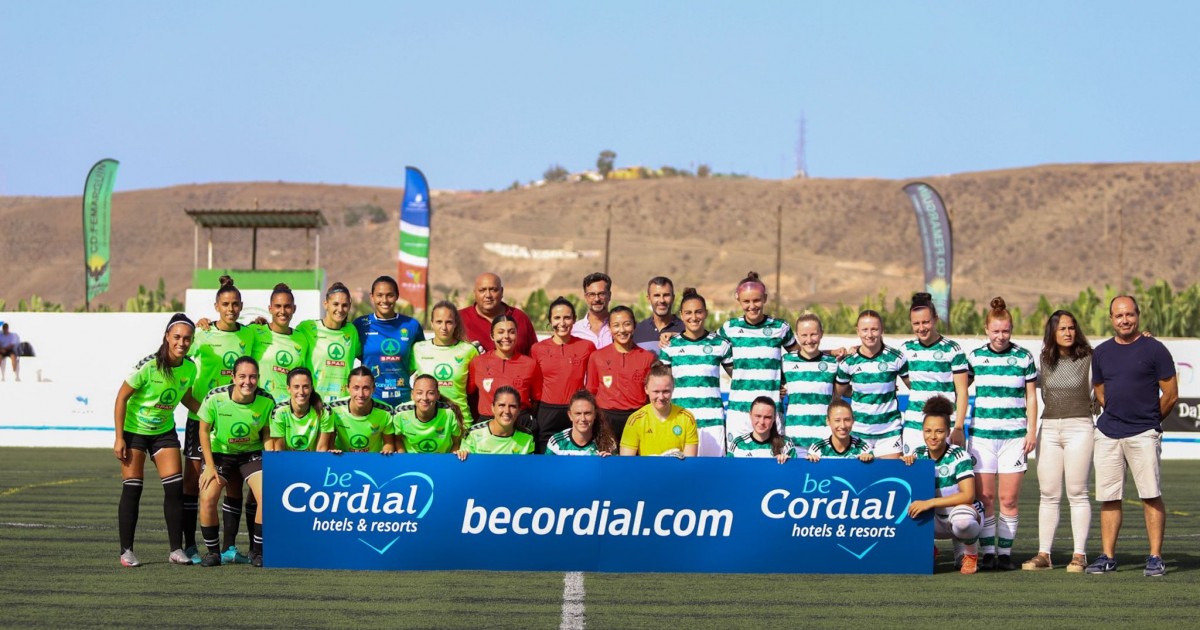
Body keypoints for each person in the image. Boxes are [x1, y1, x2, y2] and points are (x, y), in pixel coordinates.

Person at [1087, 296, 1178, 577]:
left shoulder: (1155, 349)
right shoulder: (1101, 352)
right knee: (1109, 498)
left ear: (1137, 315)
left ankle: (1155, 557)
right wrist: (1114, 414)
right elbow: (1100, 390)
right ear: (1111, 319)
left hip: (1143, 435)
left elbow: (1171, 394)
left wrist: (1149, 422)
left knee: (1150, 495)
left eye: (1129, 314)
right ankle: (1108, 557)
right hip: (1108, 434)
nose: (1124, 320)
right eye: (1118, 315)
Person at [111, 313, 201, 567]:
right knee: (133, 489)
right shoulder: (148, 366)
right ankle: (126, 551)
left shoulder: (190, 367)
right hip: (135, 432)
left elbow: (185, 397)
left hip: (164, 432)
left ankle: (176, 549)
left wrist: (208, 415)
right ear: (167, 337)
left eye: (187, 338)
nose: (182, 343)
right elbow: (121, 398)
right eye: (177, 337)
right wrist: (120, 437)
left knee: (175, 488)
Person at [184, 275, 258, 565]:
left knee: (233, 483)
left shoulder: (250, 334)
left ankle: (228, 549)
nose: (231, 308)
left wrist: (261, 322)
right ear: (216, 306)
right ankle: (189, 546)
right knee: (194, 483)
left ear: (241, 307)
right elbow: (181, 375)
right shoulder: (201, 334)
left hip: (234, 419)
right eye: (225, 304)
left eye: (235, 304)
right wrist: (201, 411)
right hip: (201, 421)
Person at [966, 297, 1038, 571]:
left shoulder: (1023, 357)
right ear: (986, 330)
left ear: (1011, 329)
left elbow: (1031, 398)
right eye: (995, 331)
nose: (1000, 336)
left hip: (1014, 438)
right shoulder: (975, 358)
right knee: (985, 498)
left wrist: (1032, 431)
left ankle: (1005, 554)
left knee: (1008, 499)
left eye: (1005, 330)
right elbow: (960, 390)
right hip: (982, 438)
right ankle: (987, 553)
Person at [1023, 310, 1095, 573]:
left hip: (1080, 427)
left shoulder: (1090, 357)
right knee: (1048, 495)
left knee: (1077, 492)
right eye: (1062, 328)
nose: (1068, 332)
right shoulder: (1044, 360)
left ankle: (1079, 555)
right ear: (1052, 332)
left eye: (1072, 328)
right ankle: (1045, 555)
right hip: (1050, 428)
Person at [196, 356, 275, 567]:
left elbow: (267, 433)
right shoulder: (215, 397)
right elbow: (203, 430)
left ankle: (257, 552)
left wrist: (271, 461)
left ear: (258, 378)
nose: (247, 382)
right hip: (220, 453)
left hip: (251, 454)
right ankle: (213, 553)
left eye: (252, 377)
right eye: (242, 376)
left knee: (267, 496)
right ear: (233, 377)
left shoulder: (267, 400)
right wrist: (209, 465)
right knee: (207, 498)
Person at [902, 395, 984, 575]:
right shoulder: (918, 454)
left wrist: (929, 502)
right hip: (934, 519)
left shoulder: (959, 455)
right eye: (928, 431)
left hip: (962, 513)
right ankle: (929, 549)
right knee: (901, 513)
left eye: (939, 431)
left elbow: (968, 496)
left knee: (962, 522)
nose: (932, 437)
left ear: (948, 432)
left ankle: (970, 554)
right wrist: (904, 465)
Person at [719, 271, 799, 446]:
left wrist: (783, 381)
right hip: (739, 411)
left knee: (774, 463)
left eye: (756, 300)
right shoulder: (729, 328)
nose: (752, 306)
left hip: (771, 410)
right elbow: (707, 348)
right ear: (738, 299)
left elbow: (800, 358)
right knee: (738, 463)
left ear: (765, 298)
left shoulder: (780, 327)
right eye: (746, 301)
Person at [659, 288, 732, 456]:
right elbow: (663, 385)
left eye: (698, 312)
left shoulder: (720, 344)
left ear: (705, 313)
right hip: (681, 420)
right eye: (688, 313)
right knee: (683, 475)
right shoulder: (670, 345)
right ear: (681, 315)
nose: (693, 317)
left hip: (713, 422)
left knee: (713, 473)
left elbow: (739, 378)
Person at [834, 310, 909, 459]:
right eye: (865, 330)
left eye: (874, 329)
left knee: (891, 479)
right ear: (858, 331)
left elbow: (916, 387)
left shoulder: (896, 358)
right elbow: (837, 395)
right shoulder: (848, 362)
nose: (869, 334)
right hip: (858, 432)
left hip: (889, 431)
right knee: (858, 481)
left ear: (882, 330)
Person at [901, 293, 968, 454]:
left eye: (926, 322)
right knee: (913, 476)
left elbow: (962, 391)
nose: (921, 327)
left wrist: (958, 427)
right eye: (916, 323)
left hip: (944, 425)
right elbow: (910, 383)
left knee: (945, 476)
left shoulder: (952, 349)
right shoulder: (905, 349)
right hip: (914, 426)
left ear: (935, 319)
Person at [531, 296, 595, 452]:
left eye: (567, 317)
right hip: (547, 412)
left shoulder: (587, 346)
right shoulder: (537, 349)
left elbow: (592, 384)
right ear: (550, 320)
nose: (562, 322)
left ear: (574, 320)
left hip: (576, 411)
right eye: (557, 318)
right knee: (545, 456)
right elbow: (536, 387)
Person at [354, 275, 425, 406]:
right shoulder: (360, 325)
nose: (384, 300)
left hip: (403, 401)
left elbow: (420, 360)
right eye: (379, 295)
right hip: (370, 401)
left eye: (389, 295)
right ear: (372, 297)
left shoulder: (411, 325)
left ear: (397, 296)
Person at [586, 305, 656, 439]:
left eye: (627, 324)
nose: (622, 330)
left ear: (634, 326)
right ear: (610, 328)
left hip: (637, 418)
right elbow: (591, 391)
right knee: (607, 459)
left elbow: (650, 394)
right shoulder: (597, 356)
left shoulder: (648, 357)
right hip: (606, 419)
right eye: (616, 325)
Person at [409, 300, 480, 424]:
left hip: (460, 421)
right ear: (432, 323)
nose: (444, 327)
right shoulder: (418, 349)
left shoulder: (469, 350)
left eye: (449, 322)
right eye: (439, 322)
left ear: (455, 324)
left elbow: (475, 387)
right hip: (428, 421)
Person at [467, 314, 541, 431]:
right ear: (492, 335)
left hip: (520, 423)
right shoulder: (478, 362)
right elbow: (468, 392)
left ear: (517, 335)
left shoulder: (530, 364)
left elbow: (537, 399)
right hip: (487, 424)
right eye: (500, 332)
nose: (506, 336)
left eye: (511, 332)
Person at [781, 313, 839, 451]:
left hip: (825, 440)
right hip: (794, 438)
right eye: (804, 335)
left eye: (813, 334)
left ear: (821, 334)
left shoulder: (833, 363)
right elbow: (774, 385)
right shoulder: (786, 361)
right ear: (797, 336)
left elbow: (846, 391)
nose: (809, 340)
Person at [296, 282, 362, 400]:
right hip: (314, 402)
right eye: (335, 304)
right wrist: (264, 325)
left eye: (344, 305)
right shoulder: (307, 328)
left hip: (342, 404)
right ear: (325, 304)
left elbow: (368, 356)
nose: (340, 309)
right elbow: (285, 339)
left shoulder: (352, 331)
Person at [619, 364, 699, 457]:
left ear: (673, 388)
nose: (661, 397)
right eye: (656, 391)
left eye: (666, 391)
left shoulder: (687, 418)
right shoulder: (635, 420)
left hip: (676, 471)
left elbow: (689, 462)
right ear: (646, 389)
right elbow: (626, 461)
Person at [251, 283, 311, 404]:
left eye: (287, 306)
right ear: (270, 308)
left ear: (294, 308)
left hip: (287, 410)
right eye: (278, 306)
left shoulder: (302, 339)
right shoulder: (254, 332)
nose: (282, 311)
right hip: (259, 406)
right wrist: (206, 324)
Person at [458, 273, 538, 356]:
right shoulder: (459, 319)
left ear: (502, 291)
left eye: (493, 290)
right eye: (482, 290)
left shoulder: (520, 318)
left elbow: (534, 356)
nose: (488, 295)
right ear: (475, 293)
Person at [326, 366, 397, 454]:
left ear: (373, 389)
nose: (361, 394)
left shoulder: (386, 411)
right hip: (341, 459)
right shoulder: (333, 409)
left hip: (372, 460)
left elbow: (389, 443)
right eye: (356, 388)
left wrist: (386, 452)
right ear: (347, 388)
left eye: (366, 388)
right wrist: (333, 452)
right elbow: (329, 443)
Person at [393, 373, 465, 454]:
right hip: (412, 462)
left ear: (437, 395)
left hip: (441, 461)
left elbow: (456, 443)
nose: (424, 398)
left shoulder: (449, 413)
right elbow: (397, 440)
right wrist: (404, 459)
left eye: (431, 393)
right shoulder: (400, 413)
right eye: (419, 393)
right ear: (412, 395)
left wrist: (448, 461)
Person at [266, 367, 331, 452]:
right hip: (288, 460)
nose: (301, 392)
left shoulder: (324, 411)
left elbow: (321, 450)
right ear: (288, 389)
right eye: (296, 387)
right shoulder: (278, 411)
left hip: (313, 460)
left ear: (311, 388)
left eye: (305, 387)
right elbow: (280, 451)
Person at [458, 386, 535, 456]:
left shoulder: (527, 437)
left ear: (519, 410)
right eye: (502, 405)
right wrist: (462, 455)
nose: (507, 411)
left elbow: (528, 468)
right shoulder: (473, 434)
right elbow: (467, 467)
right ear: (493, 407)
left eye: (512, 406)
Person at [545, 389, 617, 456]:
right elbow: (547, 469)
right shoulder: (557, 443)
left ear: (595, 414)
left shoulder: (608, 444)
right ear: (570, 415)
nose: (583, 418)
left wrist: (608, 463)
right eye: (578, 413)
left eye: (587, 413)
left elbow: (616, 469)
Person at [726, 397, 795, 463]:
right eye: (758, 416)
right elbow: (728, 471)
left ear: (774, 418)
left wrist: (788, 463)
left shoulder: (786, 443)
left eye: (767, 417)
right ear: (750, 415)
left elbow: (797, 472)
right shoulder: (738, 444)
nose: (762, 422)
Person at [806, 400, 874, 462]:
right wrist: (811, 461)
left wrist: (868, 459)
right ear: (828, 421)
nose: (843, 426)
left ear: (853, 420)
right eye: (837, 420)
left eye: (847, 420)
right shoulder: (817, 449)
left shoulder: (863, 448)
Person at [633, 276, 684, 352]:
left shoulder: (686, 330)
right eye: (657, 295)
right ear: (649, 298)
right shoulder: (637, 331)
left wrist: (679, 337)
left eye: (666, 295)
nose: (662, 300)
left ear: (673, 298)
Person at [572, 272, 614, 349]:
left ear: (609, 295)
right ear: (586, 297)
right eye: (592, 294)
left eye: (601, 294)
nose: (597, 299)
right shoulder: (574, 331)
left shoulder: (620, 329)